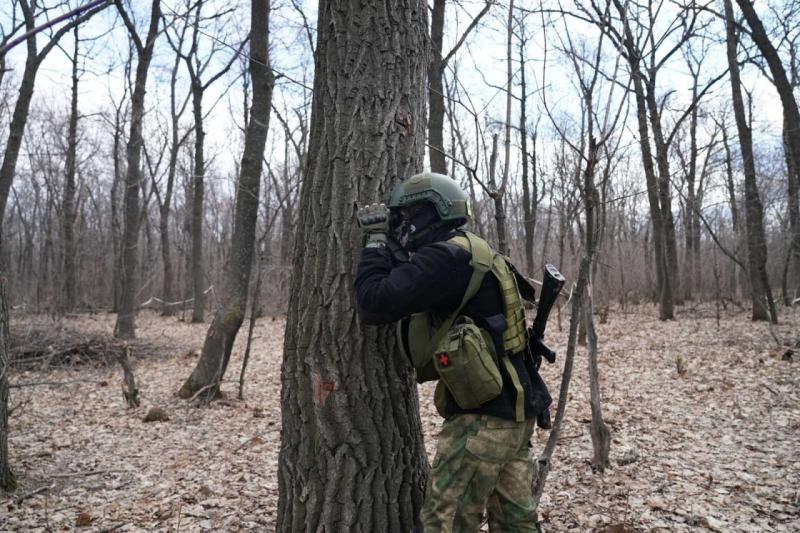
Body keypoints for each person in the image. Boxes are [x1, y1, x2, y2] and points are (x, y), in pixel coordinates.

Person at [354, 172, 551, 532]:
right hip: (516, 412)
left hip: (484, 423)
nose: (402, 227)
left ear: (429, 213)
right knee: (515, 521)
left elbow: (374, 303)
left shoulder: (445, 260)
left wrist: (375, 243)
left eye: (406, 217)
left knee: (447, 521)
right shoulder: (473, 250)